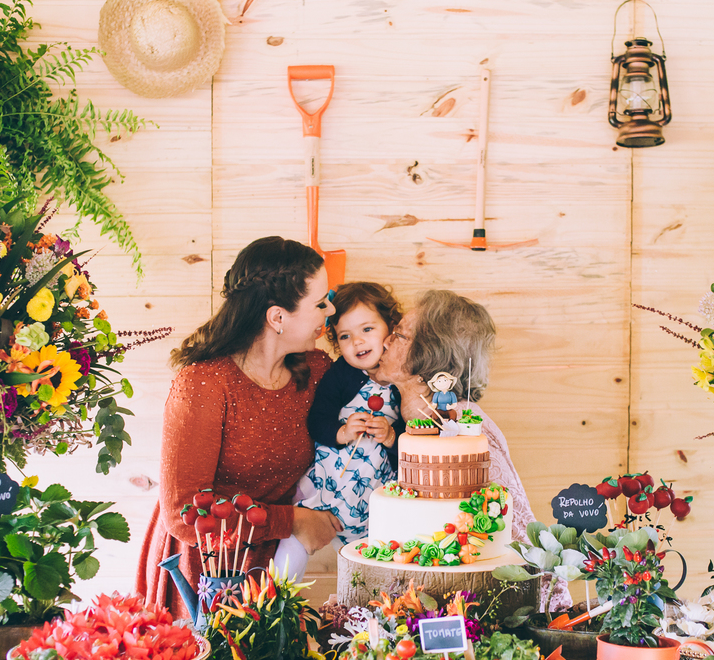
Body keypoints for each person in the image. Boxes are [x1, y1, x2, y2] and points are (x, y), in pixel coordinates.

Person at [136, 237, 343, 618]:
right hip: (203, 568)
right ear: (277, 318)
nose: (331, 309)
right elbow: (184, 513)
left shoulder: (316, 372)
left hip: (277, 565)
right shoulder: (203, 385)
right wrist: (293, 520)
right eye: (320, 303)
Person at [373, 289, 573, 611]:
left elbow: (517, 529)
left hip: (492, 606)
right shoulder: (407, 426)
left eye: (398, 335)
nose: (384, 342)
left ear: (429, 353)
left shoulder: (465, 428)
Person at [275, 282, 404, 579]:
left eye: (367, 330)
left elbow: (416, 433)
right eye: (345, 336)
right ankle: (271, 599)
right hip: (329, 481)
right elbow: (317, 419)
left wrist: (391, 435)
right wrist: (342, 432)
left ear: (391, 328)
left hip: (376, 492)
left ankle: (367, 612)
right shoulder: (341, 374)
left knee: (374, 560)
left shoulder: (403, 373)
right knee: (294, 539)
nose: (357, 342)